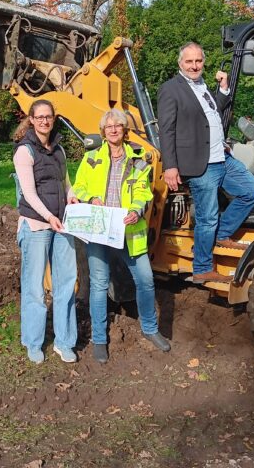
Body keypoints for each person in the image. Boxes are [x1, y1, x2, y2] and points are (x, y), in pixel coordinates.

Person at [157, 42, 254, 284]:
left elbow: (209, 113)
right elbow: (166, 130)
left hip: (222, 156)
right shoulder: (171, 89)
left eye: (199, 61)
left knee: (253, 191)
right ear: (180, 63)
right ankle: (202, 268)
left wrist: (223, 90)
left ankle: (223, 234)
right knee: (207, 218)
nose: (195, 66)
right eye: (189, 62)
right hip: (200, 163)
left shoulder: (203, 86)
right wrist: (170, 167)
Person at [73, 109, 171, 364]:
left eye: (118, 125)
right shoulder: (92, 158)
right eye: (109, 126)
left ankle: (150, 329)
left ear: (125, 130)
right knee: (99, 285)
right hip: (100, 230)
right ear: (103, 131)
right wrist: (89, 198)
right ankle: (99, 340)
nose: (114, 129)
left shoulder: (138, 159)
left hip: (130, 231)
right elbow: (79, 186)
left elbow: (144, 191)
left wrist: (137, 210)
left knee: (146, 280)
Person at [13, 99, 79, 364]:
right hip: (37, 225)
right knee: (34, 287)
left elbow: (65, 182)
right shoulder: (24, 151)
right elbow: (28, 193)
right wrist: (49, 216)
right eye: (39, 117)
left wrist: (72, 197)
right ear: (31, 119)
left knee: (66, 284)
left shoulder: (59, 149)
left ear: (54, 118)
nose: (44, 121)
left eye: (48, 116)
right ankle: (33, 342)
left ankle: (64, 342)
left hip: (62, 224)